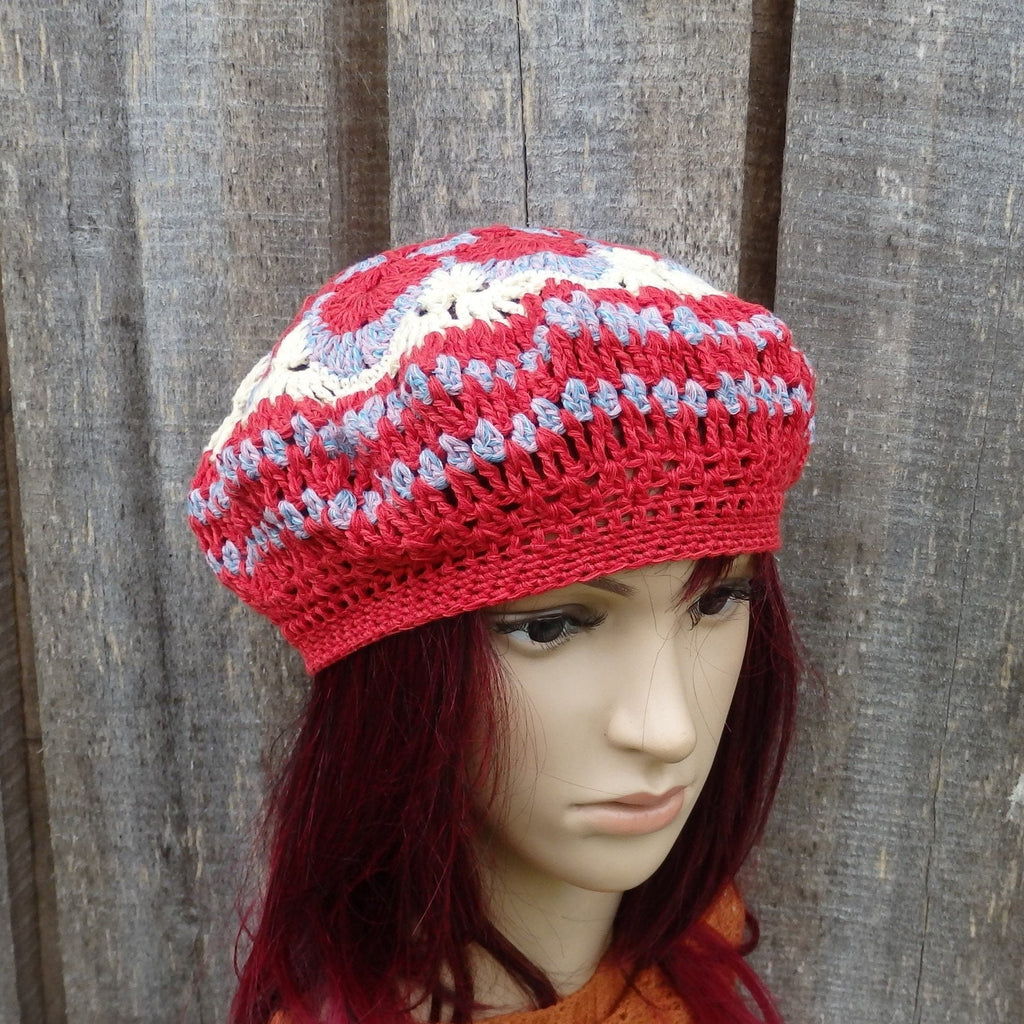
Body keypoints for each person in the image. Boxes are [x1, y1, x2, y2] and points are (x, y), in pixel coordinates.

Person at [187, 225, 815, 1024]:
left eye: (718, 601)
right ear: (398, 677)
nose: (667, 731)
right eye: (553, 628)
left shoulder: (686, 952)